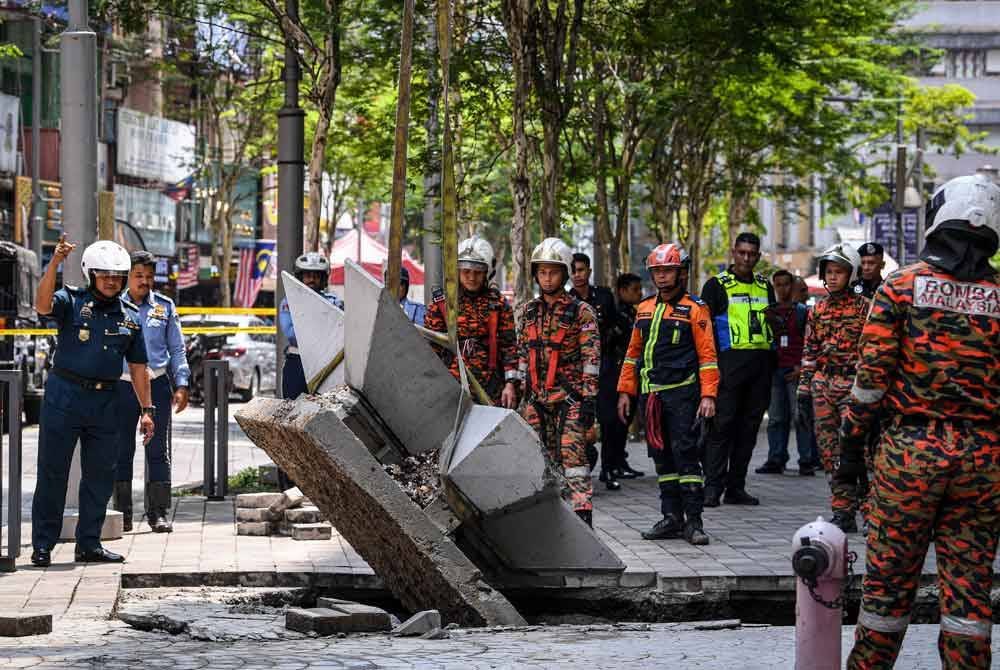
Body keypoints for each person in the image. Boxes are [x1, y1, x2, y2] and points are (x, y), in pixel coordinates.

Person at [841, 174, 1000, 669]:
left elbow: (870, 383)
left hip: (910, 456)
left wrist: (849, 447)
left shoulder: (902, 287)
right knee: (970, 595)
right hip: (984, 463)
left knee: (887, 590)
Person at [31, 237, 154, 566]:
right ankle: (42, 544)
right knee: (52, 473)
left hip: (105, 401)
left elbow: (139, 368)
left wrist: (147, 410)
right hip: (64, 396)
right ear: (90, 274)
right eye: (105, 275)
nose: (113, 281)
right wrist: (55, 262)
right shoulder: (71, 300)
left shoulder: (130, 317)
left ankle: (89, 544)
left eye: (118, 276)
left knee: (100, 476)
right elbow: (41, 307)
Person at [617, 243, 717, 545]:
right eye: (657, 271)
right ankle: (671, 517)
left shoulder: (696, 309)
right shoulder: (644, 309)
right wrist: (625, 391)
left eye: (668, 271)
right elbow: (632, 355)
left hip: (683, 396)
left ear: (682, 272)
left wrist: (708, 395)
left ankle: (694, 522)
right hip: (651, 398)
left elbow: (708, 356)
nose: (661, 277)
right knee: (661, 459)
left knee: (686, 457)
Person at [516, 238, 601, 527]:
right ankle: (546, 522)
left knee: (574, 462)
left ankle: (583, 520)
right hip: (536, 402)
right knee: (538, 463)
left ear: (564, 274)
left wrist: (589, 399)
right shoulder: (529, 311)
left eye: (553, 272)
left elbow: (592, 358)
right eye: (542, 272)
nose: (547, 277)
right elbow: (522, 354)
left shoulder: (582, 312)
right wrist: (517, 391)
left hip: (570, 400)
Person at [113, 251, 191, 534]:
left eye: (148, 276)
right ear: (127, 277)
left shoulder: (165, 307)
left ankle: (157, 512)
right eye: (138, 276)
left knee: (158, 450)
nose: (144, 281)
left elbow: (177, 349)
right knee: (122, 450)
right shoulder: (113, 306)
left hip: (157, 383)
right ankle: (122, 514)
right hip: (121, 386)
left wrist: (181, 384)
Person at [795, 243, 869, 533]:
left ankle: (869, 511)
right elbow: (809, 352)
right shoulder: (818, 310)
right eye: (829, 272)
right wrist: (803, 392)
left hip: (853, 386)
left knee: (858, 452)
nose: (834, 277)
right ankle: (842, 511)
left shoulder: (866, 309)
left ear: (851, 274)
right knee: (830, 454)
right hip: (823, 386)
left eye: (839, 271)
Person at [699, 232, 775, 507]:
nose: (746, 258)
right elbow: (704, 333)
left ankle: (736, 487)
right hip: (728, 367)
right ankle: (712, 488)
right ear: (733, 252)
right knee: (721, 429)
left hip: (760, 367)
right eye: (742, 252)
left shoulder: (765, 285)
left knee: (748, 430)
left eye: (751, 254)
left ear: (758, 256)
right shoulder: (716, 285)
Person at [424, 236, 518, 407]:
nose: (471, 277)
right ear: (457, 271)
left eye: (477, 272)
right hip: (450, 390)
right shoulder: (442, 304)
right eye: (466, 271)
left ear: (487, 272)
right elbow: (430, 350)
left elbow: (509, 348)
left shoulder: (498, 305)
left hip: (491, 391)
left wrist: (510, 384)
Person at [569, 252, 624, 488]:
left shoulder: (603, 296)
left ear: (589, 271)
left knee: (610, 419)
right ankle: (578, 468)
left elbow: (616, 325)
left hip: (605, 365)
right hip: (577, 369)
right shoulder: (566, 300)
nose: (577, 275)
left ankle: (610, 469)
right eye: (573, 270)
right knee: (578, 420)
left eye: (581, 270)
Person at [756, 270, 814, 476]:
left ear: (793, 286)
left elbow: (811, 342)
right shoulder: (768, 312)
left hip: (796, 371)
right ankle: (776, 458)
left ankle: (806, 460)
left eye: (786, 284)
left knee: (801, 417)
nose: (782, 289)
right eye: (778, 285)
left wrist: (802, 367)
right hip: (774, 371)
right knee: (775, 418)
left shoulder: (802, 312)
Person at [279, 251, 344, 400]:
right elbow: (292, 334)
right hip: (298, 362)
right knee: (293, 411)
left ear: (324, 279)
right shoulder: (289, 301)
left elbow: (339, 329)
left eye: (316, 276)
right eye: (308, 275)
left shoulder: (334, 302)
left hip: (328, 365)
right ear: (300, 277)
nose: (312, 280)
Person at [599, 273, 643, 488]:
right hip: (613, 376)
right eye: (635, 289)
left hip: (630, 373)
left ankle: (619, 461)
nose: (639, 293)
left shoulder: (630, 314)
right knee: (613, 422)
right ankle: (610, 465)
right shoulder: (615, 316)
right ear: (622, 290)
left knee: (624, 420)